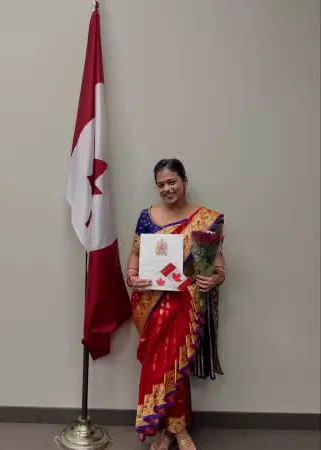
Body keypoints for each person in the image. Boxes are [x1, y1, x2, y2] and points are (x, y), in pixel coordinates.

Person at [126, 159, 226, 450]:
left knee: (177, 365)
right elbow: (135, 254)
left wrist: (215, 279)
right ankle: (165, 429)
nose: (167, 188)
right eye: (161, 184)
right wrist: (132, 276)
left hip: (186, 302)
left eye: (172, 182)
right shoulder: (146, 217)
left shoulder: (205, 218)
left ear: (184, 181)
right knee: (159, 366)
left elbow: (217, 261)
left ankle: (177, 430)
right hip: (152, 303)